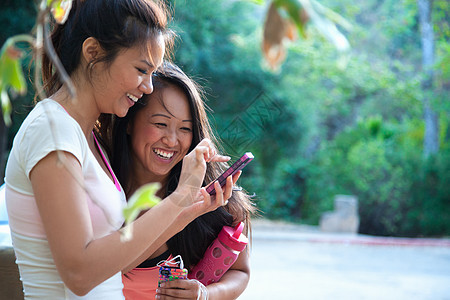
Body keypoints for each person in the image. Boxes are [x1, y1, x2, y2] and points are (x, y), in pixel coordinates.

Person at [4, 0, 236, 298]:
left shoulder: (86, 137)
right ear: (93, 53)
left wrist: (193, 203)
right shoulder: (52, 130)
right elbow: (79, 273)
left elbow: (117, 259)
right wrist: (179, 199)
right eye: (142, 69)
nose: (149, 87)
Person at [109, 62, 255, 300]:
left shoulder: (212, 199)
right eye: (160, 124)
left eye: (185, 129)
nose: (172, 140)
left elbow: (241, 272)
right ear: (130, 123)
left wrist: (205, 294)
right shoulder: (102, 187)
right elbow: (100, 270)